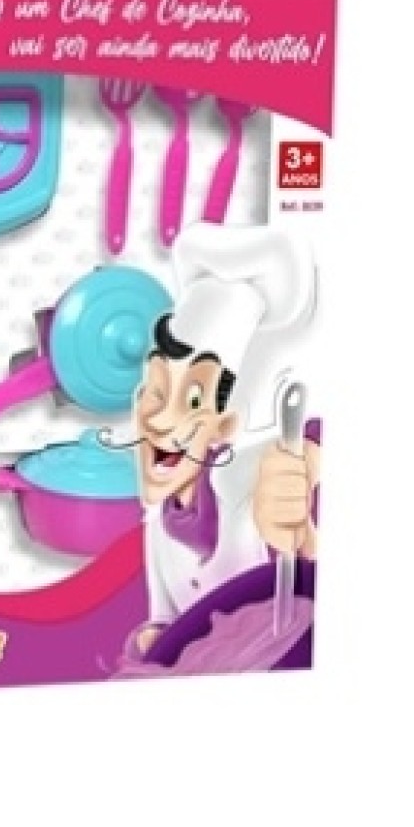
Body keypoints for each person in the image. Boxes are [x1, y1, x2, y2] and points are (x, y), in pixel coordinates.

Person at [123, 224, 320, 658]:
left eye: (192, 399)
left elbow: (307, 446)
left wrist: (300, 479)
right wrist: (152, 636)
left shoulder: (239, 480)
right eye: (155, 391)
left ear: (223, 426)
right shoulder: (158, 526)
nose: (159, 418)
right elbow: (163, 620)